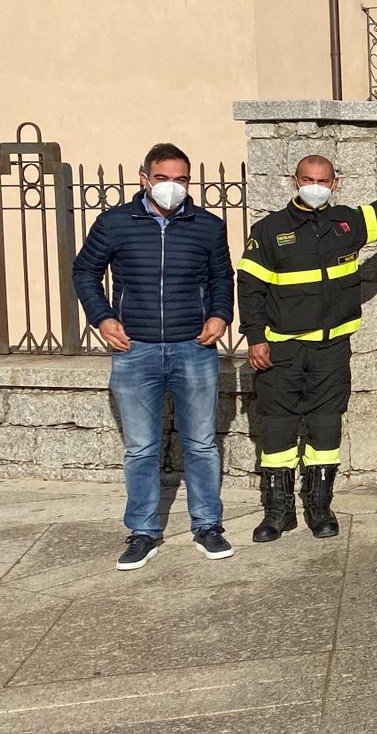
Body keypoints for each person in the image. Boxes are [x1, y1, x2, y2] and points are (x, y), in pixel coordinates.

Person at [237, 154, 377, 542]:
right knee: (278, 429)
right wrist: (256, 336)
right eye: (308, 179)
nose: (315, 186)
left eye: (323, 180)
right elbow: (250, 286)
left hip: (331, 350)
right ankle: (278, 512)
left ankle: (319, 506)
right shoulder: (269, 230)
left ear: (335, 183)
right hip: (282, 350)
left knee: (326, 427)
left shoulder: (348, 224)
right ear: (294, 180)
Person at [71, 143, 235, 569]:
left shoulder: (208, 226)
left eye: (181, 179)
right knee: (141, 448)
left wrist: (220, 316)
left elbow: (222, 275)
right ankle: (142, 531)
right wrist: (103, 318)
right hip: (135, 350)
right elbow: (84, 271)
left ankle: (208, 525)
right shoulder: (114, 223)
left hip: (194, 349)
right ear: (145, 179)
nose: (172, 187)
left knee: (200, 444)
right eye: (163, 178)